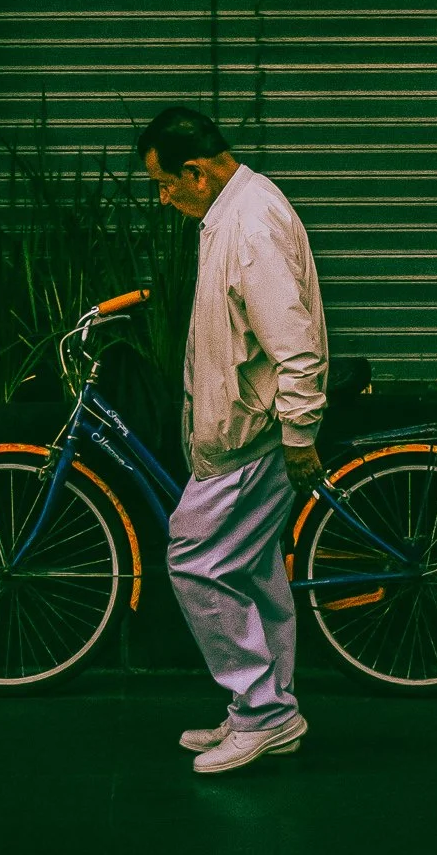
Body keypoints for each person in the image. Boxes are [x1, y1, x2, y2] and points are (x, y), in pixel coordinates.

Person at [138, 105, 327, 776]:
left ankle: (263, 713)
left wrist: (300, 431)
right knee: (252, 569)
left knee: (194, 558)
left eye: (164, 184)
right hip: (246, 435)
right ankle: (266, 707)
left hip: (252, 441)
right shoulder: (237, 212)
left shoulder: (249, 225)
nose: (163, 199)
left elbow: (295, 346)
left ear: (195, 172)